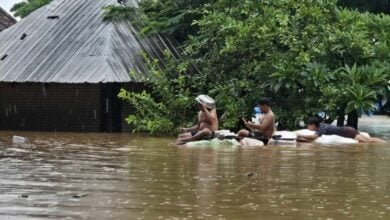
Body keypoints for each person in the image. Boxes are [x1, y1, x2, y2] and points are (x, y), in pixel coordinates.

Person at [297, 117, 386, 143]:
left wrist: (300, 135)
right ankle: (384, 142)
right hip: (348, 129)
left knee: (368, 141)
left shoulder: (321, 128)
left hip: (348, 132)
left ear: (313, 125)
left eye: (309, 125)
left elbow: (314, 137)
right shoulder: (321, 125)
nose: (308, 127)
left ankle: (385, 144)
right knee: (369, 140)